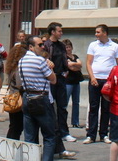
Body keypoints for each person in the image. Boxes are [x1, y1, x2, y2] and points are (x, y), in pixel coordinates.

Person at [20, 35, 77, 160]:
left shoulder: (22, 61)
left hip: (27, 97)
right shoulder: (40, 61)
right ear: (31, 47)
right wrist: (50, 67)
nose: (42, 47)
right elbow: (53, 79)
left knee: (29, 136)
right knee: (49, 136)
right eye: (39, 45)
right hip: (41, 98)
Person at [84, 24, 118, 144]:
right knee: (93, 107)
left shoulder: (115, 46)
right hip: (95, 79)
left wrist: (114, 80)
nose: (96, 34)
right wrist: (92, 77)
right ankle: (91, 135)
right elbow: (88, 62)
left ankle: (104, 134)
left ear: (105, 33)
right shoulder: (93, 45)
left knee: (106, 107)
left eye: (98, 32)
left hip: (108, 80)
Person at [44, 22, 73, 157]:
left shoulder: (61, 45)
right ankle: (54, 131)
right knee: (51, 107)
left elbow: (64, 59)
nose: (61, 33)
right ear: (53, 32)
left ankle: (64, 132)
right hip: (51, 78)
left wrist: (66, 70)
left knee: (62, 106)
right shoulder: (46, 45)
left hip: (61, 78)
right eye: (59, 31)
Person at [4, 43, 28, 140]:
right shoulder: (18, 69)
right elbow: (20, 85)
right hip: (18, 100)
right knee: (17, 127)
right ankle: (11, 145)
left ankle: (9, 144)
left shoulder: (11, 67)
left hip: (12, 97)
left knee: (13, 125)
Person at [63, 39, 84, 130]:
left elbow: (80, 65)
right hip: (68, 82)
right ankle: (63, 122)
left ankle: (75, 122)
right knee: (65, 102)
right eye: (66, 47)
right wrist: (75, 65)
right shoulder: (64, 57)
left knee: (76, 102)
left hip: (76, 82)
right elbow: (71, 68)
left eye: (69, 47)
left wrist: (74, 64)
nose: (68, 49)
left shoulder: (75, 56)